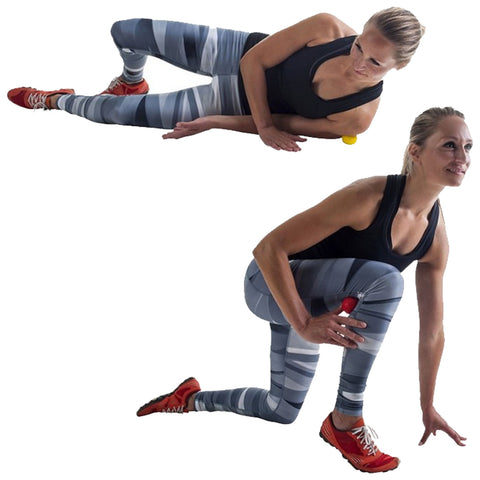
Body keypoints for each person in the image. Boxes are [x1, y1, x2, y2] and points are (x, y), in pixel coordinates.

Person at [135, 107, 470, 473]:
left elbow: (432, 332)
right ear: (415, 152)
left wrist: (428, 405)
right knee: (388, 279)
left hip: (311, 306)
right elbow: (268, 249)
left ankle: (190, 399)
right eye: (450, 145)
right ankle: (347, 419)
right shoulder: (371, 196)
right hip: (268, 283)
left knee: (282, 410)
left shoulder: (434, 236)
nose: (463, 157)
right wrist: (304, 323)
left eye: (469, 147)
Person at [7, 7, 423, 152]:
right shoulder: (328, 27)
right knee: (126, 30)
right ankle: (132, 79)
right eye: (358, 48)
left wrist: (215, 123)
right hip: (240, 53)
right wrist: (263, 126)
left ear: (397, 68)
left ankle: (56, 100)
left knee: (112, 113)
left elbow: (280, 126)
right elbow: (256, 62)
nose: (358, 63)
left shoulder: (356, 118)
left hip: (236, 104)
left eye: (375, 64)